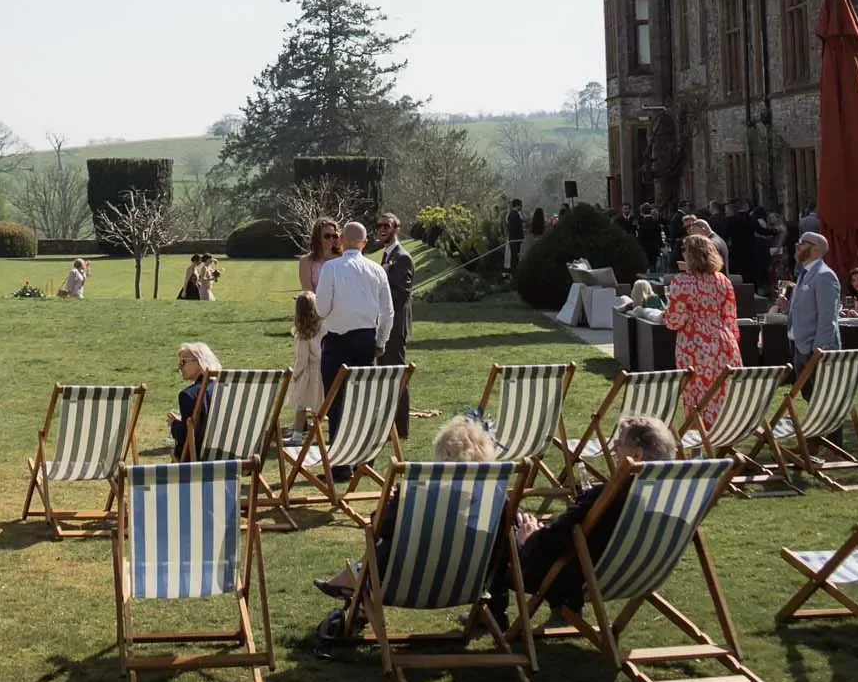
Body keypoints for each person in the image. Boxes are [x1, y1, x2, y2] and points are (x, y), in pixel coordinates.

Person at [310, 414, 501, 630]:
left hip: (405, 584)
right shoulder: (494, 503)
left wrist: (390, 506)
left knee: (384, 547)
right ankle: (354, 586)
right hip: (466, 585)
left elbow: (379, 526)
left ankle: (353, 582)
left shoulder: (417, 496)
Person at [496, 414, 679, 628]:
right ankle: (565, 610)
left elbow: (555, 541)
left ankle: (495, 616)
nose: (614, 451)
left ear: (637, 455)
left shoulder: (610, 497)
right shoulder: (671, 498)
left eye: (618, 444)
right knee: (522, 518)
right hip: (640, 573)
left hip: (571, 577)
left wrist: (531, 537)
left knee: (502, 518)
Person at [313, 221, 394, 443]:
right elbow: (388, 312)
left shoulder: (331, 268)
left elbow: (321, 309)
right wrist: (381, 341)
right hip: (366, 340)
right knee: (363, 399)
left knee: (335, 401)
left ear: (340, 240)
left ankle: (340, 461)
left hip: (337, 341)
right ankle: (363, 454)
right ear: (365, 243)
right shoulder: (377, 270)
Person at [662, 233, 740, 430]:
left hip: (694, 345)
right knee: (721, 395)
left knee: (696, 397)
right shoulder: (723, 281)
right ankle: (722, 439)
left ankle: (699, 444)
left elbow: (673, 321)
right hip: (724, 343)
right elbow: (731, 317)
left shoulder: (682, 282)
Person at [376, 212, 416, 439]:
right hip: (384, 325)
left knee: (398, 375)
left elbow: (401, 295)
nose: (382, 229)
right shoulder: (386, 256)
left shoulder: (402, 258)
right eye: (379, 225)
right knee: (386, 374)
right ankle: (388, 423)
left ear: (397, 229)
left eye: (387, 226)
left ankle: (401, 428)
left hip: (395, 326)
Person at [788, 231, 844, 373]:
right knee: (808, 394)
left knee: (820, 394)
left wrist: (818, 350)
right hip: (800, 347)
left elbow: (828, 317)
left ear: (816, 249)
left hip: (815, 350)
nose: (797, 247)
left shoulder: (824, 275)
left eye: (802, 243)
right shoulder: (804, 274)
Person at [285, 291, 327, 441]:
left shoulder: (304, 333)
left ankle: (297, 435)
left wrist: (295, 375)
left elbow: (302, 359)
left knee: (302, 404)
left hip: (310, 373)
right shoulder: (324, 326)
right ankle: (317, 431)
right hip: (325, 369)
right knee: (321, 404)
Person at [167, 342, 221, 457]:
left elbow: (188, 438)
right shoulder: (224, 389)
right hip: (230, 459)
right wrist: (185, 422)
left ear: (198, 361)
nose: (179, 367)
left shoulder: (189, 395)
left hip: (201, 462)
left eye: (183, 362)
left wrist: (175, 424)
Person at [504, 199, 527, 276]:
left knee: (515, 255)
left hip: (515, 239)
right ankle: (513, 273)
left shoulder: (513, 214)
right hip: (515, 239)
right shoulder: (514, 214)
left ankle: (514, 271)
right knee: (514, 256)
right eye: (521, 205)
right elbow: (517, 226)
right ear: (517, 205)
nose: (521, 207)